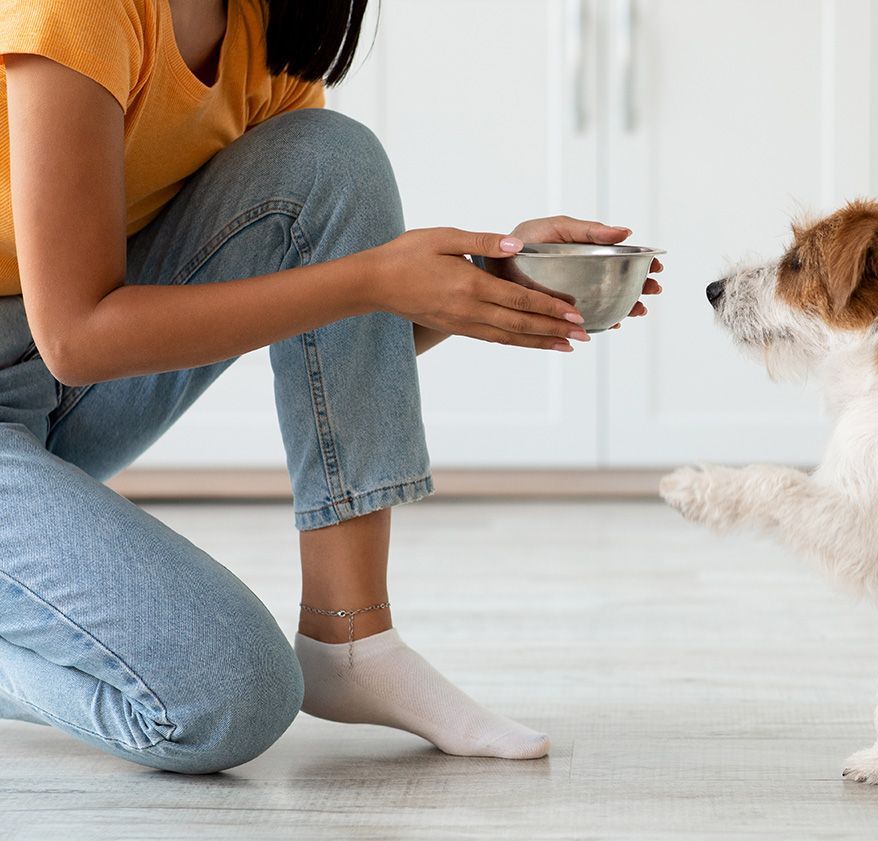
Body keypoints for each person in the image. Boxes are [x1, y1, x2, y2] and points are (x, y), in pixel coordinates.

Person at [0, 0, 663, 774]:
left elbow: (329, 328)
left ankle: (352, 636)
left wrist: (483, 283)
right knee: (228, 695)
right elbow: (78, 335)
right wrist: (374, 280)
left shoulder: (256, 26)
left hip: (47, 385)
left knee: (330, 159)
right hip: (64, 346)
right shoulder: (77, 9)